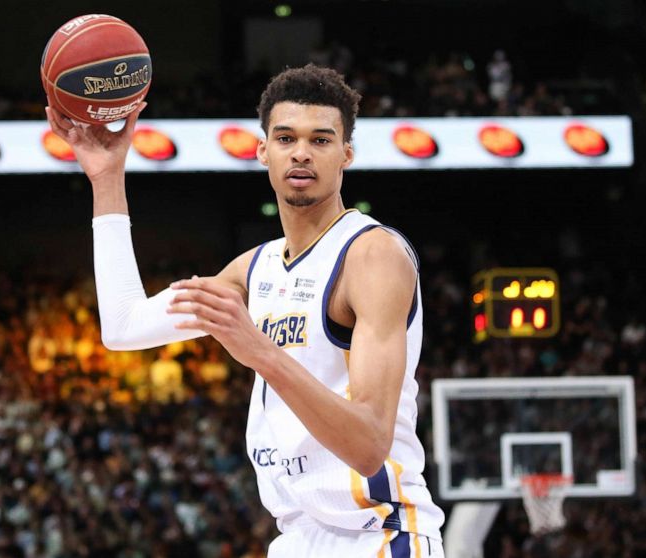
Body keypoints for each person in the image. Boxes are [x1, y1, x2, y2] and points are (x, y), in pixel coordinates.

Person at [46, 63, 445, 557]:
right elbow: (125, 328)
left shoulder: (372, 255)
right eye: (286, 138)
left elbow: (368, 446)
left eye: (321, 140)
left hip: (379, 535)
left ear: (346, 154)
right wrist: (107, 178)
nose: (301, 152)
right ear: (263, 152)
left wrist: (260, 350)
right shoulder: (253, 271)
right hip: (296, 539)